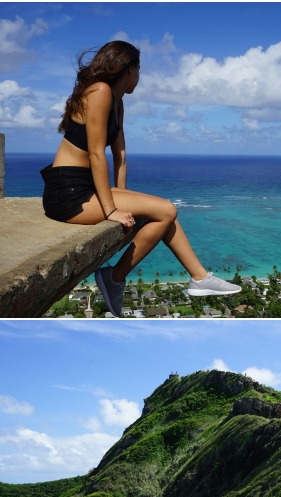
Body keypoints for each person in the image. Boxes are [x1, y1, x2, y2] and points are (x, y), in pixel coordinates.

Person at [41, 40, 239, 316]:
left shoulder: (117, 102)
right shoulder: (99, 91)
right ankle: (114, 278)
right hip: (68, 192)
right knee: (167, 210)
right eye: (139, 68)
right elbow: (98, 154)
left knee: (164, 212)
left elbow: (120, 157)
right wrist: (111, 210)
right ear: (128, 69)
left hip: (86, 186)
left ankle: (199, 277)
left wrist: (124, 201)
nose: (140, 76)